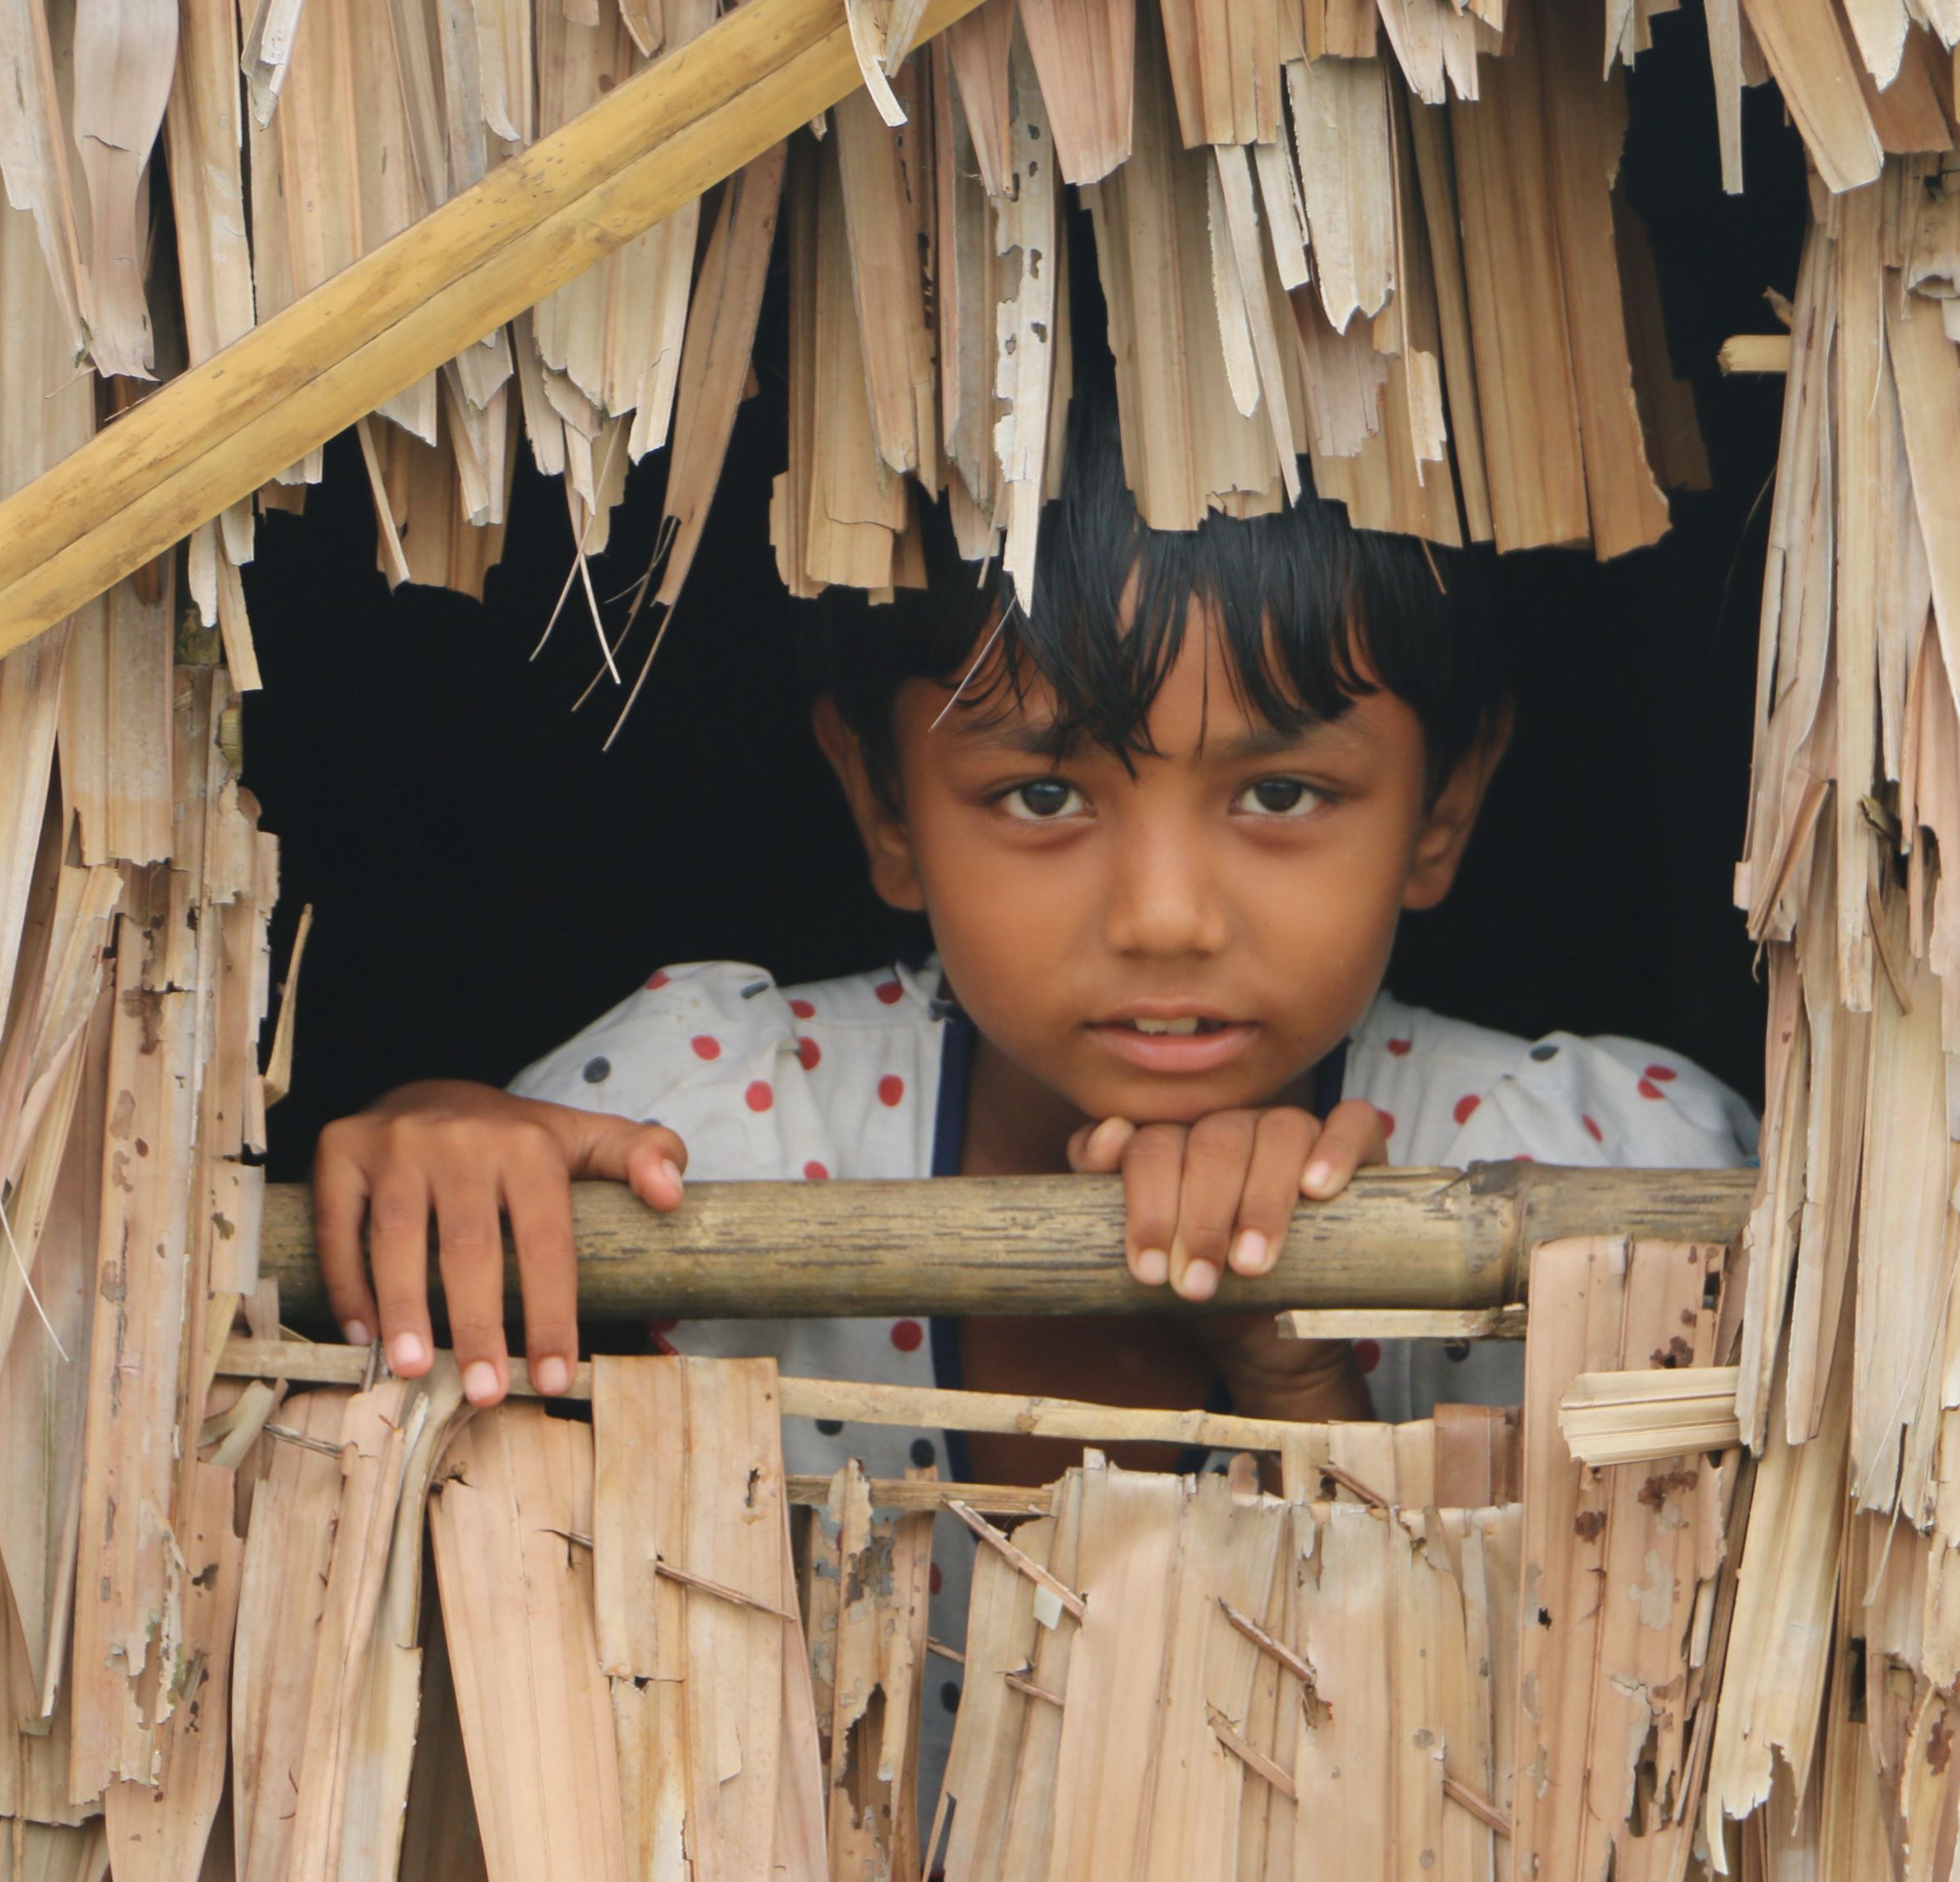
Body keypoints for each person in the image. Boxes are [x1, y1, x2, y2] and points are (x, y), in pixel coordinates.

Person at [312, 382, 1755, 1481]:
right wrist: (436, 1145)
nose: (1167, 918)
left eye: (1281, 790)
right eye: (1046, 792)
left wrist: (1290, 1373)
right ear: (882, 800)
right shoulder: (707, 1126)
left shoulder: (1586, 1186)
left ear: (1443, 806)